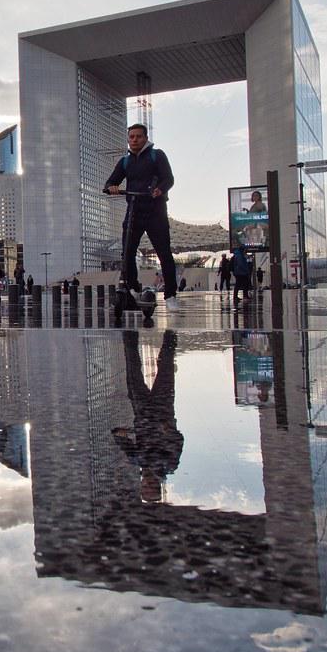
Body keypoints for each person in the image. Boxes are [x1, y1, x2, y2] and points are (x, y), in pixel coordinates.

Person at [106, 124, 177, 308]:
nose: (135, 139)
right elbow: (111, 181)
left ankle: (170, 295)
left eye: (138, 136)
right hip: (134, 211)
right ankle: (133, 286)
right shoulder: (125, 162)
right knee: (127, 252)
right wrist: (112, 187)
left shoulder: (157, 155)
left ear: (146, 138)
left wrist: (160, 189)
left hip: (156, 211)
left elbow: (169, 179)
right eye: (132, 137)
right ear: (128, 139)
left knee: (164, 253)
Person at [111, 330, 183, 503]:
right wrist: (167, 431)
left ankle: (129, 333)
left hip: (141, 409)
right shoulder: (169, 465)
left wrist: (121, 434)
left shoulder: (137, 459)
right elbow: (178, 440)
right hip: (162, 409)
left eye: (145, 487)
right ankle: (170, 333)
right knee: (165, 367)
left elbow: (120, 439)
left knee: (132, 369)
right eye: (151, 487)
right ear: (157, 485)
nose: (147, 483)